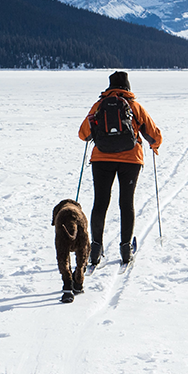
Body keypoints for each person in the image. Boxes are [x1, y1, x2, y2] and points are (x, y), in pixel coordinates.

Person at [78, 71, 162, 265]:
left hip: (101, 160)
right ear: (128, 87)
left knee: (100, 202)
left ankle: (95, 248)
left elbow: (83, 134)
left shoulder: (99, 106)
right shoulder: (134, 106)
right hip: (131, 160)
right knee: (126, 202)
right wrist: (154, 146)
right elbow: (154, 134)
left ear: (109, 87)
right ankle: (125, 249)